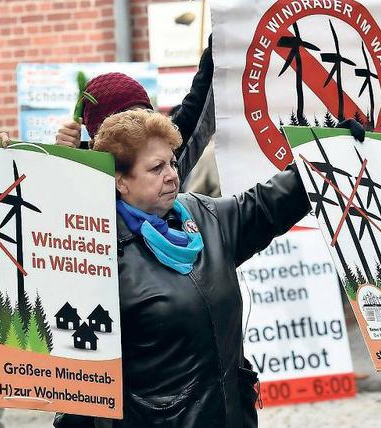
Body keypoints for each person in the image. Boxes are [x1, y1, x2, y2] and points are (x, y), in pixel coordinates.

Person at [53, 110, 311, 427]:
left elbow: (268, 203)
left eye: (172, 163)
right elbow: (79, 374)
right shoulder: (95, 250)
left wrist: (324, 156)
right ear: (121, 182)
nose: (172, 174)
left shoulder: (204, 216)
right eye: (156, 168)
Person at [53, 44, 214, 182]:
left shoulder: (167, 153)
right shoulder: (85, 178)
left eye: (148, 115)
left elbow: (201, 98)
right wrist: (63, 159)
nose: (170, 176)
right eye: (131, 121)